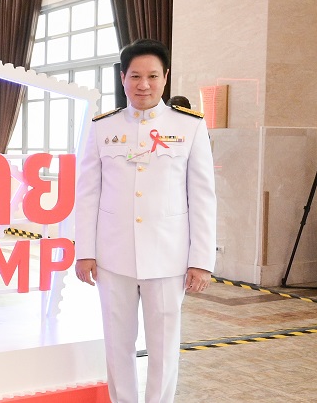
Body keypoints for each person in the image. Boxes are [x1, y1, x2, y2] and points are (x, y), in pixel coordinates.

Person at [75, 39, 216, 403]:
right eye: (135, 76)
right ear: (123, 78)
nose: (144, 84)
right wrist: (85, 251)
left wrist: (201, 260)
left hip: (168, 257)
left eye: (152, 76)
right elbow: (88, 193)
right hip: (113, 255)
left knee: (164, 347)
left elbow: (202, 196)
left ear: (165, 77)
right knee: (117, 344)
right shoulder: (103, 127)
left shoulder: (189, 127)